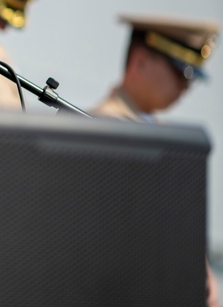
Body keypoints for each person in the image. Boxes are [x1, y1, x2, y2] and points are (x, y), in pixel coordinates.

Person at [91, 15, 219, 307]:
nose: (186, 86)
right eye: (179, 73)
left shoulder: (155, 131)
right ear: (140, 63)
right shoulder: (104, 128)